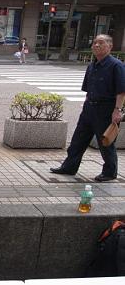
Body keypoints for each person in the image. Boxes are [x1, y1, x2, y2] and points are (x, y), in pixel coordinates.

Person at [50, 34, 125, 182]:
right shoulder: (92, 66)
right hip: (89, 108)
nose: (96, 45)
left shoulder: (116, 65)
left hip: (106, 109)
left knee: (106, 143)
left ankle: (110, 172)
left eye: (101, 43)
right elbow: (87, 89)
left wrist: (118, 110)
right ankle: (69, 167)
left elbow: (121, 91)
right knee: (78, 139)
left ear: (110, 46)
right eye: (95, 43)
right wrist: (85, 105)